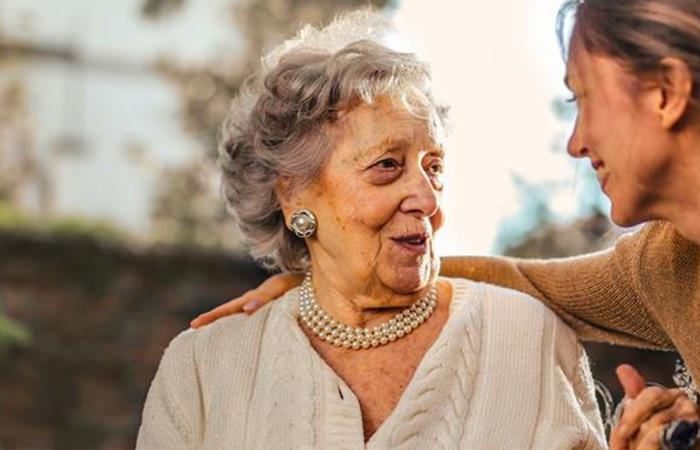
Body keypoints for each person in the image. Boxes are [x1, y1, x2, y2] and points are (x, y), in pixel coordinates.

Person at [193, 1, 700, 449]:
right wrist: (333, 276)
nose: (576, 142)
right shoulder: (671, 267)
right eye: (386, 167)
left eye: (582, 98)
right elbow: (522, 280)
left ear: (667, 93)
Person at [137, 11, 609, 449]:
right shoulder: (203, 369)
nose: (427, 199)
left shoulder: (528, 339)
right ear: (294, 195)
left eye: (434, 166)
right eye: (387, 165)